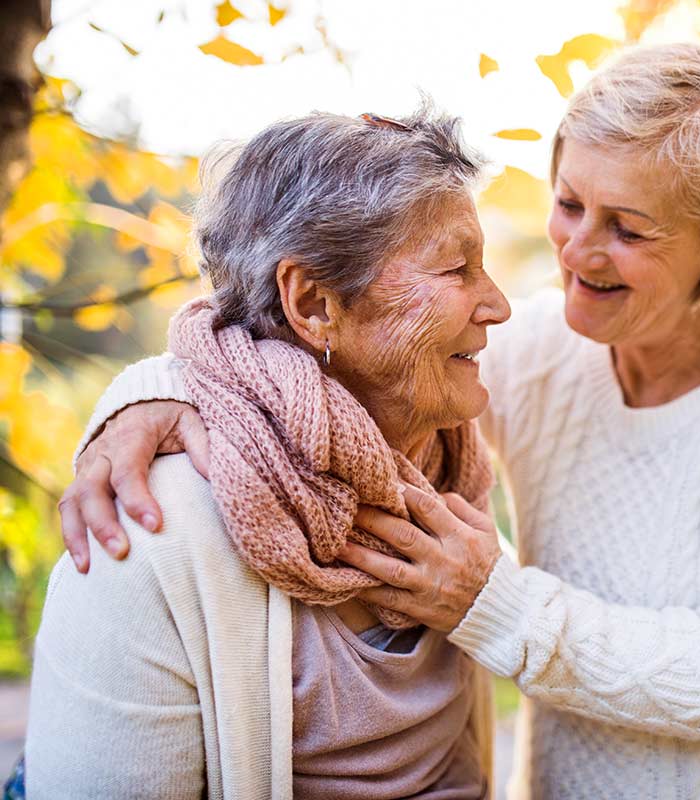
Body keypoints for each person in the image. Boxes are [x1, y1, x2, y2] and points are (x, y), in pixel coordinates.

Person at [60, 43, 700, 798]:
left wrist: (492, 603)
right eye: (568, 204)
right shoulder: (540, 350)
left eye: (628, 228)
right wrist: (149, 394)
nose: (576, 251)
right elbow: (308, 338)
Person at [27, 106, 512, 798]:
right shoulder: (147, 539)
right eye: (457, 270)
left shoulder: (448, 469)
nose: (498, 305)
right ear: (313, 304)